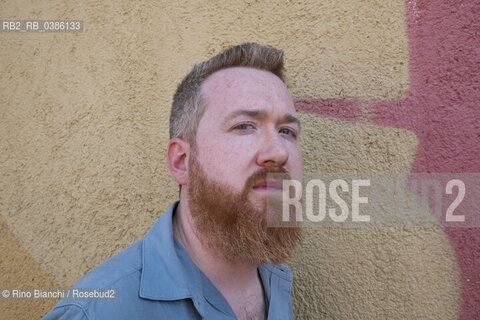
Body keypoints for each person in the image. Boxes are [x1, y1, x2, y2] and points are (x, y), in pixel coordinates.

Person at [43, 42, 303, 320]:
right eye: (243, 126)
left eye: (287, 131)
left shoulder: (275, 281)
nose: (278, 152)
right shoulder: (98, 312)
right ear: (181, 161)